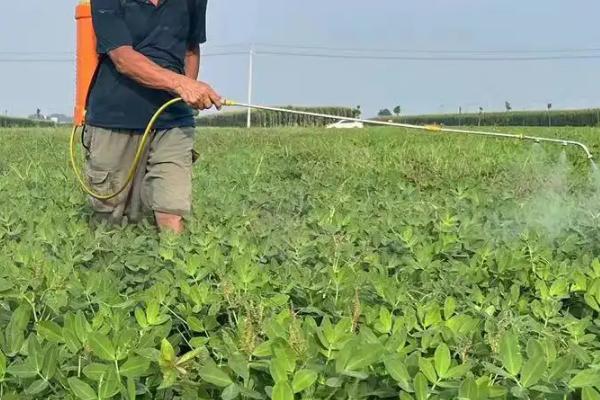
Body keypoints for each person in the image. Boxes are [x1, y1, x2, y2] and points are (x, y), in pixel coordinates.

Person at [85, 0, 222, 233]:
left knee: (172, 211)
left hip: (173, 120)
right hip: (115, 118)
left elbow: (190, 49)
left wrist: (186, 96)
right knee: (110, 218)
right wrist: (182, 84)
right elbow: (122, 58)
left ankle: (175, 264)